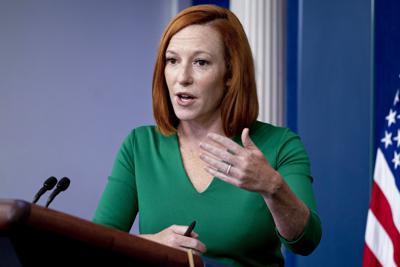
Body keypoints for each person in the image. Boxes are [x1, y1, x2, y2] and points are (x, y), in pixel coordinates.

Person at [93, 4, 322, 267]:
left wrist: (273, 187)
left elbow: (307, 242)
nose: (182, 77)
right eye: (172, 60)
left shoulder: (280, 145)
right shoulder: (140, 146)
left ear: (230, 74)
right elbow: (98, 243)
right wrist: (149, 245)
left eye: (200, 62)